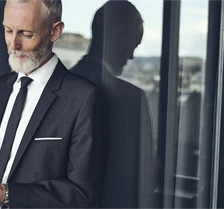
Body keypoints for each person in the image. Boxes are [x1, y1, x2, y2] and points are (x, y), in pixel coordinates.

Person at [0, 0, 108, 209]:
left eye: (26, 34)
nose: (13, 44)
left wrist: (5, 195)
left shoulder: (82, 98)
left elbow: (82, 194)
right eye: (8, 30)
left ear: (55, 31)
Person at [71, 1, 156, 209]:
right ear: (121, 38)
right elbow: (142, 179)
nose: (131, 56)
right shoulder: (132, 100)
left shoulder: (53, 86)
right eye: (133, 45)